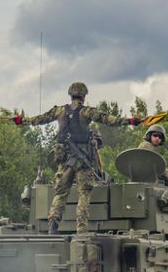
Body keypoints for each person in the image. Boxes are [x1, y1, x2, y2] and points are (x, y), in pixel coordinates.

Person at [16, 82, 144, 235]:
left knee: (60, 194)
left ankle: (53, 225)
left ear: (70, 95)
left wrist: (21, 121)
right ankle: (81, 229)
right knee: (84, 194)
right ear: (84, 96)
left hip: (64, 162)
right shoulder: (86, 112)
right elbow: (108, 119)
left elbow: (39, 119)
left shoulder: (59, 111)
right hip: (83, 162)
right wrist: (130, 121)